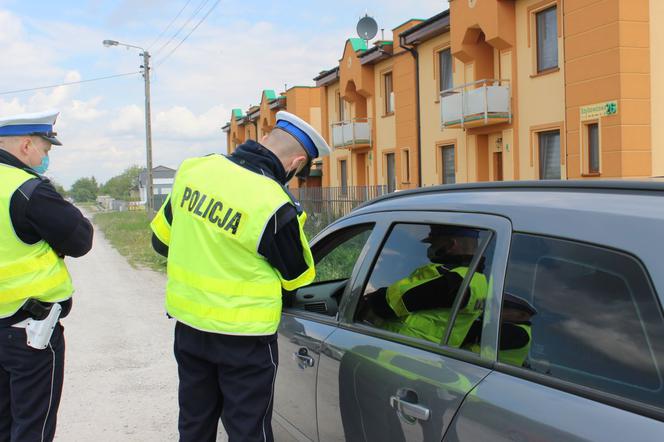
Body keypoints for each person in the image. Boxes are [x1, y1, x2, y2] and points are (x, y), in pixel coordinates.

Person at [150, 110, 330, 442]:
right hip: (244, 342)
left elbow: (160, 242)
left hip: (190, 328)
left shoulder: (195, 170)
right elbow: (296, 279)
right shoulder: (275, 204)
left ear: (263, 138)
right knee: (248, 431)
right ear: (297, 163)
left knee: (194, 424)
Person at [0, 110, 93, 442]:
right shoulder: (26, 188)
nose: (45, 158)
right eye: (45, 150)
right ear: (26, 145)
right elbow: (80, 239)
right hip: (28, 332)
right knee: (31, 428)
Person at [364, 225, 488, 346]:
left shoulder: (451, 281)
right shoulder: (480, 281)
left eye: (434, 244)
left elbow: (384, 305)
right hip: (431, 357)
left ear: (451, 245)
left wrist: (365, 295)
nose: (430, 249)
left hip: (399, 352)